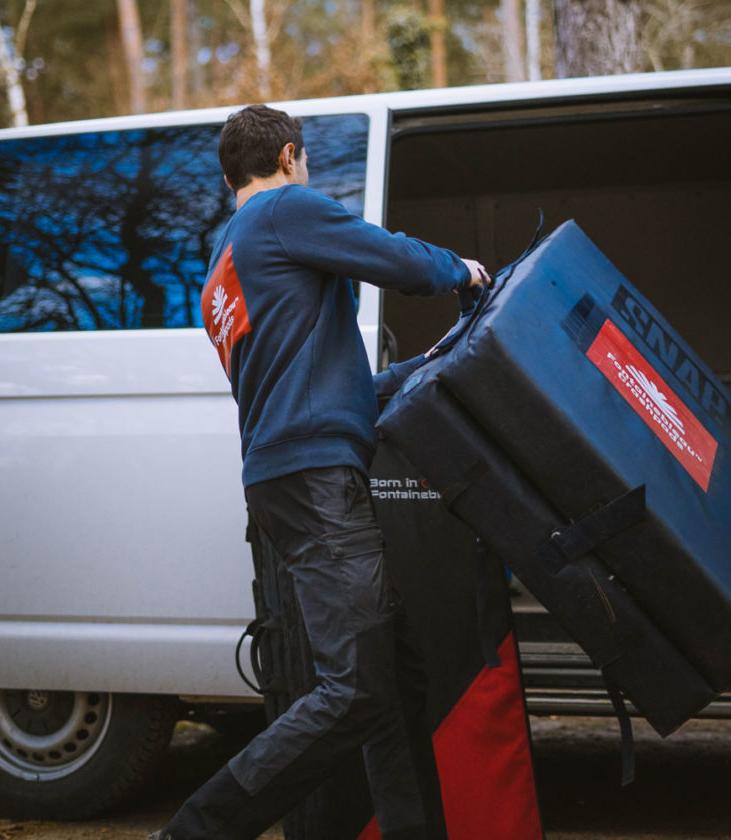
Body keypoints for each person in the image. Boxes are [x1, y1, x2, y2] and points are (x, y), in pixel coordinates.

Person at [147, 104, 489, 840]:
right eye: (303, 165)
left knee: (393, 684)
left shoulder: (223, 270)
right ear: (291, 156)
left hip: (282, 479)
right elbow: (394, 258)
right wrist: (461, 269)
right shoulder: (281, 212)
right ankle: (194, 832)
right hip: (314, 480)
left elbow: (305, 387)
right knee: (358, 687)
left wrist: (417, 371)